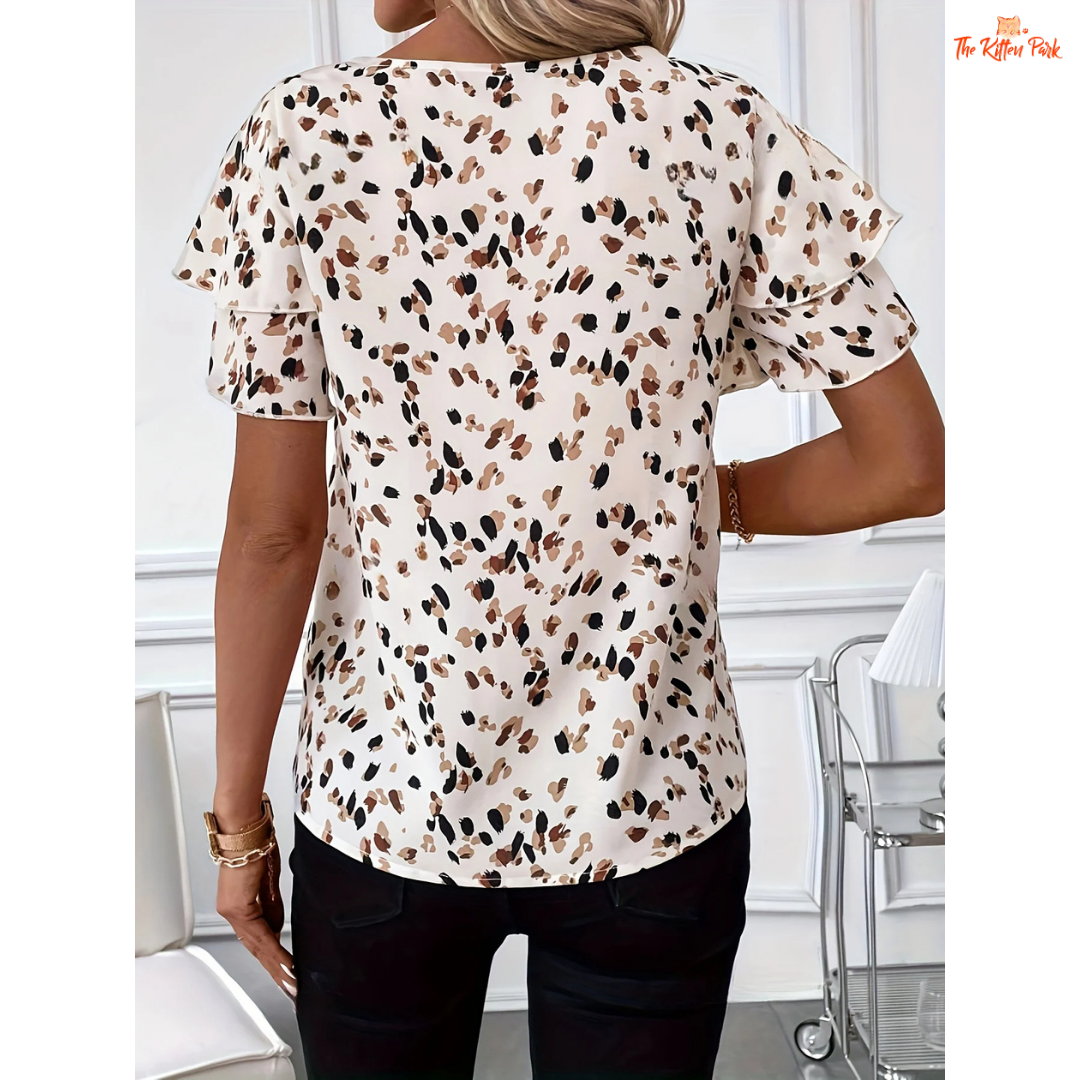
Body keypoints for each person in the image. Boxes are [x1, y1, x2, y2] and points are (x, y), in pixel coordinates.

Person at [173, 0, 945, 1076]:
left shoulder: (308, 131)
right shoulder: (721, 125)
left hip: (387, 812)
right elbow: (905, 464)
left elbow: (273, 533)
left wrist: (238, 829)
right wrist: (684, 497)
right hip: (655, 806)